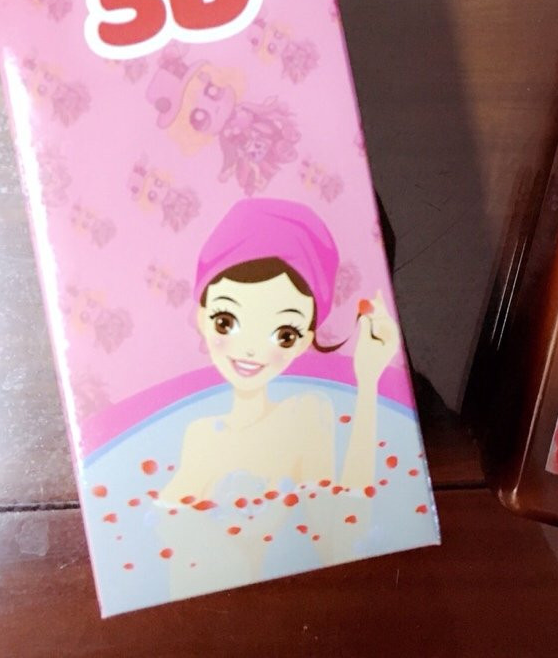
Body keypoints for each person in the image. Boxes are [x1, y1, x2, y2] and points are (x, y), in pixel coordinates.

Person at [160, 196, 398, 505]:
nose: (250, 349)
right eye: (225, 321)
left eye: (284, 335)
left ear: (304, 340)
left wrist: (368, 383)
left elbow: (339, 524)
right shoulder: (199, 435)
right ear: (202, 317)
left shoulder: (305, 415)